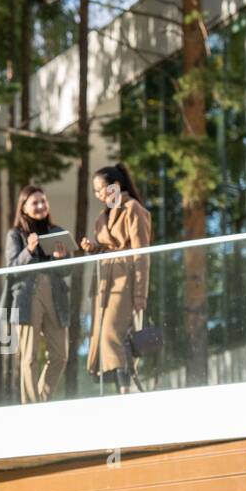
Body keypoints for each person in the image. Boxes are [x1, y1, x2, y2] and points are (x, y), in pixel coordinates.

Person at [81, 162, 152, 394]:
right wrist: (92, 248)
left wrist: (140, 293)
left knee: (113, 332)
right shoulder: (102, 217)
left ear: (116, 186)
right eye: (95, 191)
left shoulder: (133, 209)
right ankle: (122, 388)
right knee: (102, 335)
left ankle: (125, 391)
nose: (99, 195)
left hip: (125, 278)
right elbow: (106, 247)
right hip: (104, 280)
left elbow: (141, 253)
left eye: (102, 189)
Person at [1, 185, 73, 403]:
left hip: (54, 293)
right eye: (35, 202)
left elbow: (67, 270)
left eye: (43, 201)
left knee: (60, 355)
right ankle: (31, 406)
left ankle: (42, 399)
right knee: (29, 357)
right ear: (23, 208)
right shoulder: (15, 235)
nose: (41, 206)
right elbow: (12, 268)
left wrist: (61, 257)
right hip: (27, 296)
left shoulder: (57, 230)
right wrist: (29, 250)